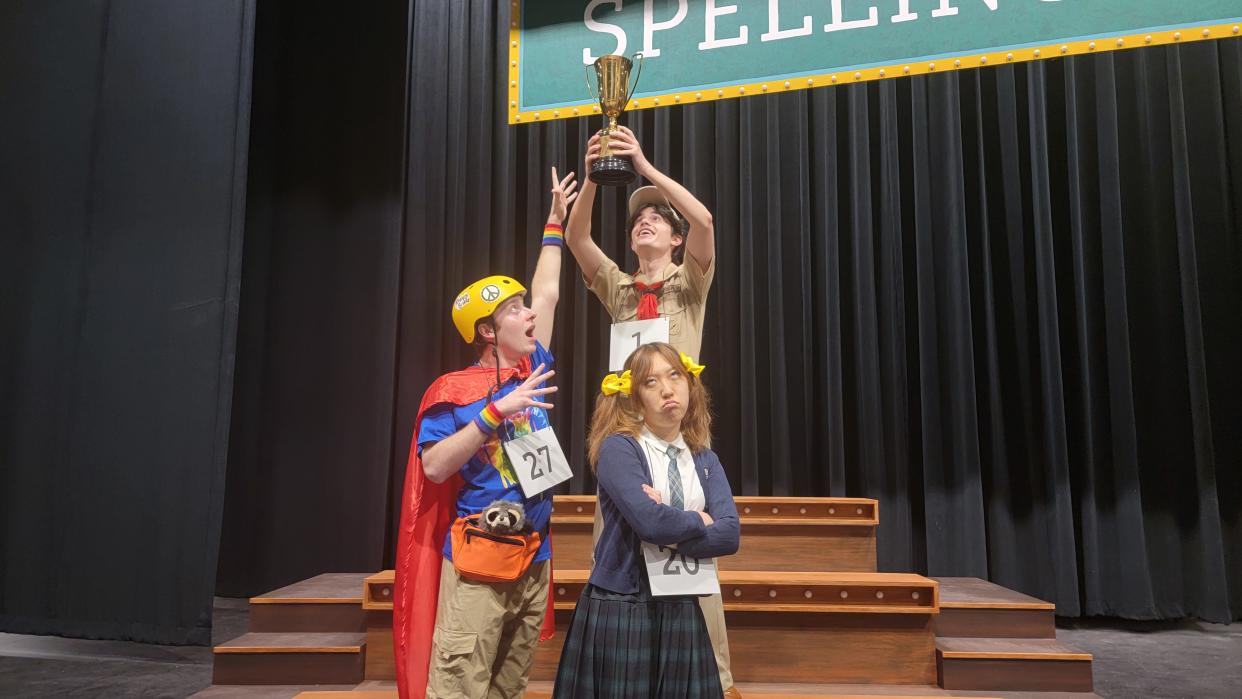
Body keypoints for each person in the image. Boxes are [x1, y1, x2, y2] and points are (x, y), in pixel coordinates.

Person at [565, 126, 740, 697]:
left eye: (656, 219)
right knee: (615, 547)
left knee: (692, 567)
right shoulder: (619, 287)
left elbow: (707, 223)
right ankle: (624, 671)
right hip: (626, 431)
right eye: (637, 219)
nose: (643, 222)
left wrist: (642, 167)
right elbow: (577, 238)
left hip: (677, 426)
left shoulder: (688, 283)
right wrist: (594, 178)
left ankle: (712, 678)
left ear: (673, 236)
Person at [392, 168, 578, 699]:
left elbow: (548, 288)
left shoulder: (531, 365)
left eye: (525, 307)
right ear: (487, 332)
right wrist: (495, 413)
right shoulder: (452, 391)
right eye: (515, 310)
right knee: (460, 685)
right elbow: (433, 467)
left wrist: (554, 224)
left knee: (509, 683)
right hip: (480, 557)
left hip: (535, 556)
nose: (530, 313)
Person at [553, 342, 739, 698]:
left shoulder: (704, 458)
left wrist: (666, 522)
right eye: (651, 382)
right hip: (625, 602)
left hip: (682, 604)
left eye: (674, 376)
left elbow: (729, 535)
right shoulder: (619, 448)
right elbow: (649, 523)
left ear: (690, 385)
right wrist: (700, 519)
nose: (667, 389)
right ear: (635, 396)